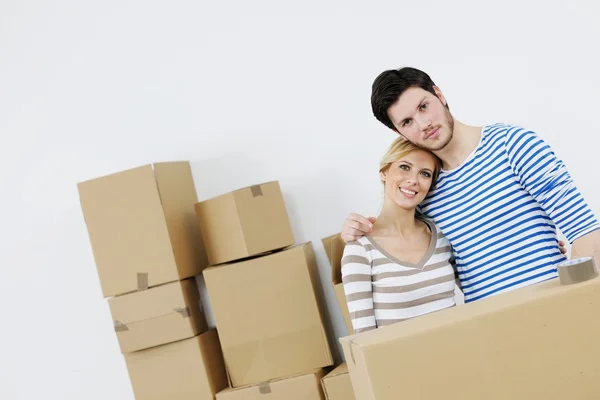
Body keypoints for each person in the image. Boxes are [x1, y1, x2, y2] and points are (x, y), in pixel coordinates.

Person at [342, 67, 600, 303]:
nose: (423, 124)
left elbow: (587, 234)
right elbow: (405, 252)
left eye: (423, 106)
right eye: (407, 122)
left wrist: (569, 306)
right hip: (489, 335)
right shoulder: (422, 189)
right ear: (399, 133)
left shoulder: (512, 145)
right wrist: (356, 233)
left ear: (439, 94)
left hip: (553, 314)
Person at [341, 138, 457, 333]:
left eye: (425, 174)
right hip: (402, 362)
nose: (413, 180)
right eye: (405, 167)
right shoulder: (360, 250)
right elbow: (366, 339)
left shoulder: (442, 236)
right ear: (384, 172)